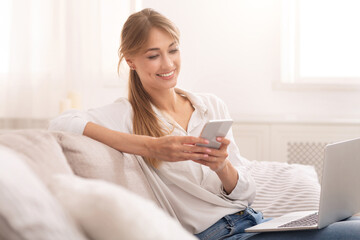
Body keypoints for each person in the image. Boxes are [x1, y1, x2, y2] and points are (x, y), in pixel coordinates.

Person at [49, 8, 360, 240]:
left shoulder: (210, 105)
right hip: (219, 235)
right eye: (153, 56)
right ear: (131, 61)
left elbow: (245, 192)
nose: (168, 64)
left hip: (253, 220)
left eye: (173, 50)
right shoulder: (126, 114)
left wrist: (222, 167)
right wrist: (152, 146)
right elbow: (62, 123)